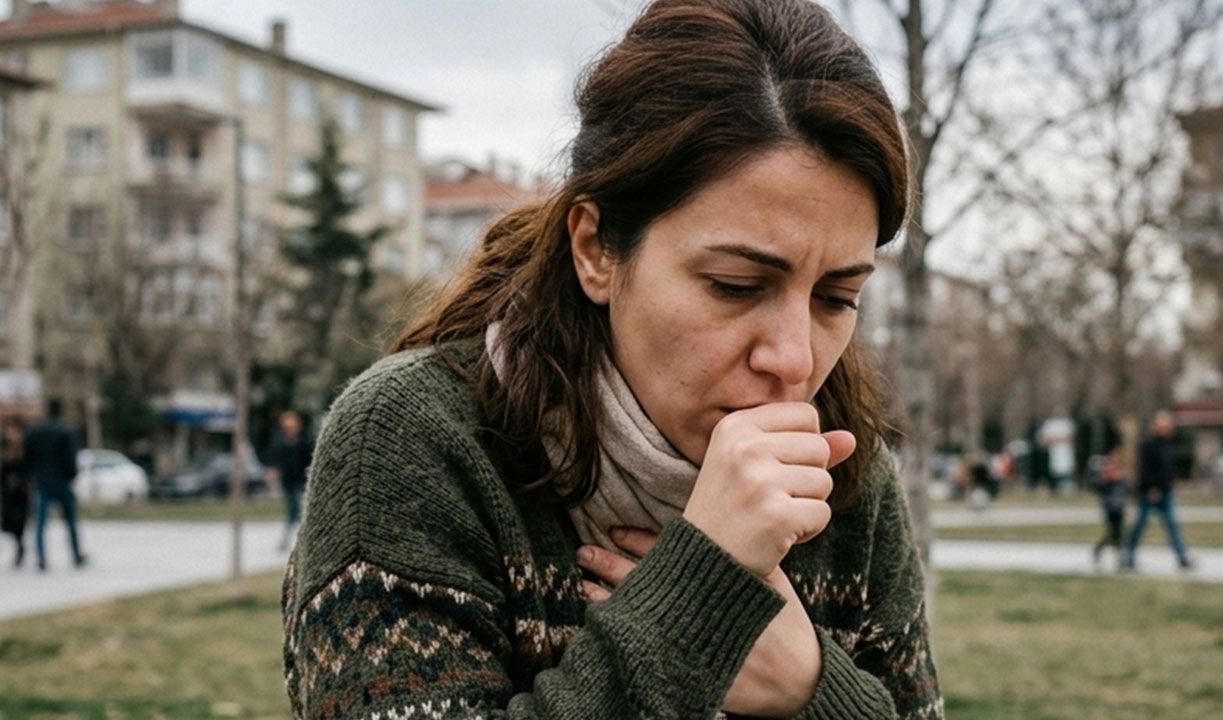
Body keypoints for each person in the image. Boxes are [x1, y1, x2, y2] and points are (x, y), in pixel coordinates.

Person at [282, 1, 942, 718]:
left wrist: (810, 686)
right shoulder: (414, 443)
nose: (792, 360)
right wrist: (699, 602)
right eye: (735, 285)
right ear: (596, 249)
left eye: (836, 298)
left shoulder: (848, 473)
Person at [1122, 410, 1192, 571]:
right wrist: (1151, 488)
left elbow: (1168, 469)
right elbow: (1145, 469)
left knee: (1172, 525)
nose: (1167, 428)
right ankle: (1128, 556)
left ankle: (1182, 557)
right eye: (1163, 425)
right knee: (1140, 525)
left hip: (1165, 491)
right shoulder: (1147, 445)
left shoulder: (1169, 444)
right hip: (1150, 492)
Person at [24, 399, 86, 571]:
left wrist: (30, 476)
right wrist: (72, 475)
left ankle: (41, 557)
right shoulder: (66, 430)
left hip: (41, 480)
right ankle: (76, 554)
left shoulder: (34, 431)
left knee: (40, 521)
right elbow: (71, 456)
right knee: (70, 520)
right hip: (62, 480)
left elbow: (27, 457)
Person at [264, 410, 313, 552]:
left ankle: (296, 539)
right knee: (293, 509)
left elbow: (309, 460)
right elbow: (275, 460)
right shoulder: (280, 444)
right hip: (288, 482)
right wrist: (273, 471)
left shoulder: (304, 443)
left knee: (298, 509)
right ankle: (291, 539)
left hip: (302, 481)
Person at [1090, 449, 1128, 569]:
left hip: (1120, 507)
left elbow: (1125, 489)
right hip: (1110, 507)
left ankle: (1119, 558)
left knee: (1119, 534)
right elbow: (1097, 486)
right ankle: (1100, 550)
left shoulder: (1120, 472)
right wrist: (1107, 480)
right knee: (1113, 533)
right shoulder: (1106, 472)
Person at [1, 419, 30, 567]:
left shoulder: (25, 449)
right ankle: (19, 546)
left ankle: (20, 548)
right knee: (8, 523)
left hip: (21, 493)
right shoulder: (4, 447)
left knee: (19, 523)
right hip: (8, 492)